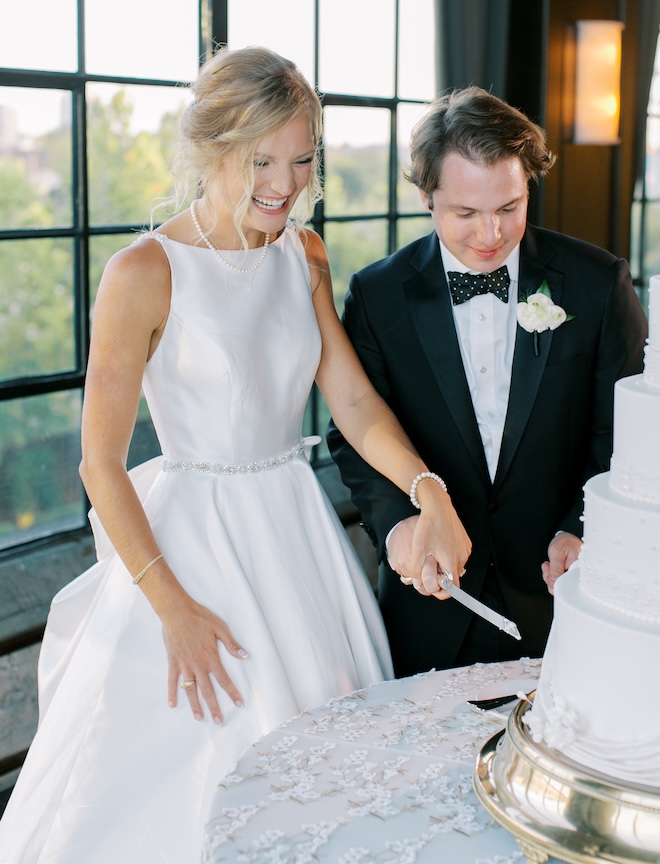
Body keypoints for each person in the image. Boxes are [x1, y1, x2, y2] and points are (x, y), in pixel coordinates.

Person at [0, 48, 470, 863]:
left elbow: (353, 403)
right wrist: (174, 612)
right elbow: (98, 466)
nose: (284, 184)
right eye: (261, 160)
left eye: (300, 160)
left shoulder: (306, 255)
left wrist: (428, 490)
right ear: (211, 147)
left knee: (332, 785)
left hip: (297, 536)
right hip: (189, 555)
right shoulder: (142, 272)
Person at [328, 85, 648, 678]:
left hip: (565, 605)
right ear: (427, 197)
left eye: (509, 207)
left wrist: (582, 528)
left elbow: (625, 435)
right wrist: (401, 526)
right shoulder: (377, 295)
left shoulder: (598, 284)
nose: (491, 235)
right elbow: (354, 435)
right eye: (466, 214)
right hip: (430, 607)